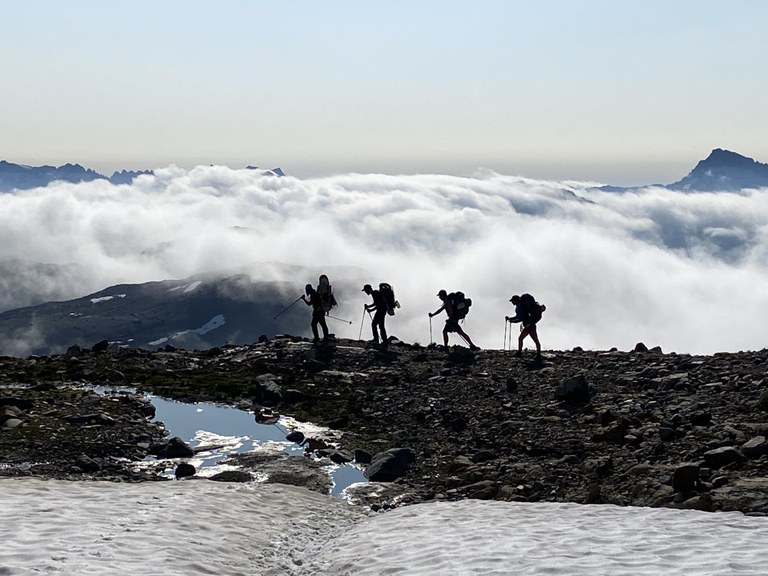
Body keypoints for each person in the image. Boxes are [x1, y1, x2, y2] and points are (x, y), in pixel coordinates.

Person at [506, 294, 542, 361]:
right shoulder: (521, 306)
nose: (512, 302)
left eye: (513, 301)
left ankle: (521, 353)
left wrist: (511, 320)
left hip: (529, 326)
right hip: (531, 325)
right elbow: (520, 317)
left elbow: (519, 318)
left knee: (523, 339)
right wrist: (511, 319)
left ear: (516, 300)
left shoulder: (521, 307)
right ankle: (538, 354)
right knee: (531, 340)